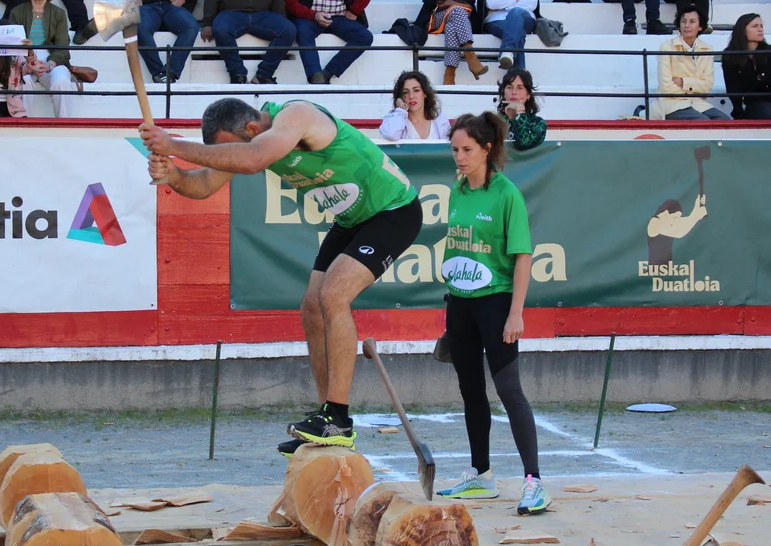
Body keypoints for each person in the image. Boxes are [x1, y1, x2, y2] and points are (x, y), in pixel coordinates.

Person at [140, 97, 423, 455]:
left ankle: (338, 417)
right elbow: (204, 185)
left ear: (252, 129)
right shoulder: (251, 139)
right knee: (311, 306)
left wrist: (173, 146)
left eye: (231, 149)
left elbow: (252, 158)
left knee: (333, 296)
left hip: (393, 210)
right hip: (352, 218)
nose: (230, 159)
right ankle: (328, 417)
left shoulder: (297, 115)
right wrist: (173, 175)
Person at [435, 111, 549, 516]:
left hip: (496, 303)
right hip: (459, 302)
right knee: (470, 390)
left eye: (466, 150)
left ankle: (534, 482)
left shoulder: (506, 194)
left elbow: (522, 256)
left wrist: (516, 313)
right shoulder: (457, 190)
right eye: (454, 150)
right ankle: (481, 475)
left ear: (487, 149)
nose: (459, 157)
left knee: (509, 391)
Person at [8, 0, 78, 117]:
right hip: (25, 60)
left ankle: (65, 125)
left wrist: (49, 64)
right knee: (23, 81)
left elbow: (62, 49)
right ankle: (23, 125)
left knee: (62, 81)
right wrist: (27, 65)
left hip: (51, 59)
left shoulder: (59, 13)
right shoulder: (16, 12)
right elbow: (12, 46)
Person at [655, 4, 729, 120]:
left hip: (698, 103)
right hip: (672, 103)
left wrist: (682, 82)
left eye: (692, 21)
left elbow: (707, 86)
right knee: (703, 122)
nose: (687, 26)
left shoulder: (707, 49)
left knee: (724, 120)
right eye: (683, 21)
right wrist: (694, 89)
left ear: (700, 26)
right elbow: (666, 87)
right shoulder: (666, 47)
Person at [721, 13, 771, 120]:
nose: (760, 29)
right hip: (755, 103)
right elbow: (733, 88)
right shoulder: (731, 55)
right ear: (742, 30)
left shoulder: (770, 51)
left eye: (761, 26)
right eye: (754, 26)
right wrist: (739, 114)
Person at [379, 70, 449, 140]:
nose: (411, 96)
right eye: (405, 92)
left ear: (425, 93)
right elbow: (390, 135)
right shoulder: (395, 119)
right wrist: (401, 109)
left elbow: (449, 145)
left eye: (416, 90)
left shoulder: (439, 119)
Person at [496, 67, 547, 151]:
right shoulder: (494, 121)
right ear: (503, 93)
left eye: (520, 88)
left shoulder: (538, 123)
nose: (514, 92)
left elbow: (523, 144)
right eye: (509, 87)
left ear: (528, 95)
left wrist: (520, 113)